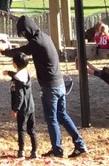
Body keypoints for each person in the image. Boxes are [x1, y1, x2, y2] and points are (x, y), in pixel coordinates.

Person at [14, 15, 87, 158]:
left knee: (51, 118)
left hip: (50, 86)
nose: (23, 36)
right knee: (62, 115)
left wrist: (4, 51)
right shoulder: (45, 37)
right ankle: (80, 144)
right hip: (59, 84)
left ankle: (57, 149)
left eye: (23, 33)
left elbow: (22, 51)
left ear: (27, 30)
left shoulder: (36, 41)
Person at [9, 62, 38, 158]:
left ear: (14, 64)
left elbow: (19, 96)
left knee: (21, 129)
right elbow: (17, 75)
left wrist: (15, 109)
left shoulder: (16, 79)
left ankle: (21, 150)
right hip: (30, 105)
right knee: (32, 130)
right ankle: (34, 151)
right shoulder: (26, 74)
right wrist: (9, 73)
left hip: (22, 108)